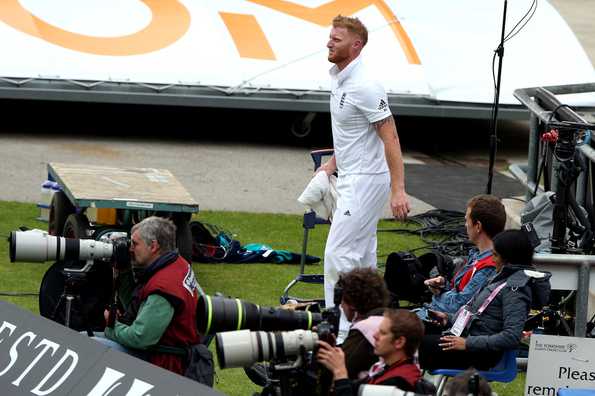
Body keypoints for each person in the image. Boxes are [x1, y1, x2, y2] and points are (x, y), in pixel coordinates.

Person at [319, 14, 410, 315]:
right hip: (351, 177)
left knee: (338, 253)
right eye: (330, 36)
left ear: (356, 46)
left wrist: (398, 191)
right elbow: (351, 134)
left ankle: (342, 328)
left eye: (337, 39)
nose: (329, 42)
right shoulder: (339, 78)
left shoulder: (366, 86)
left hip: (366, 180)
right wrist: (331, 164)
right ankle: (371, 324)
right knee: (362, 256)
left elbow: (391, 138)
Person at [418, 229, 551, 371]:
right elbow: (481, 317)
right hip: (468, 340)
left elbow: (512, 337)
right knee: (410, 328)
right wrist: (448, 318)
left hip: (479, 354)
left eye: (495, 255)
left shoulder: (516, 289)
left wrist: (467, 343)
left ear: (508, 258)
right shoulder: (503, 278)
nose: (492, 260)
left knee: (410, 345)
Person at [97, 216, 201, 375]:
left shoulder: (164, 288)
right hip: (162, 350)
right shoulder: (177, 263)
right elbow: (137, 303)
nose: (130, 249)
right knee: (82, 338)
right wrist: (124, 271)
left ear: (153, 246)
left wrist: (112, 328)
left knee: (89, 346)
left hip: (163, 363)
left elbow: (140, 338)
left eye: (135, 244)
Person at [413, 195, 506, 326]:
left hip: (444, 322)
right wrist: (443, 286)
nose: (465, 225)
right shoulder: (479, 256)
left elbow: (459, 305)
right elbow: (460, 292)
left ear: (478, 226)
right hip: (438, 314)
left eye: (467, 220)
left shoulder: (489, 266)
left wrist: (439, 295)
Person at [317, 309, 426, 395]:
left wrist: (340, 372)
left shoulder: (398, 383)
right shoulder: (389, 369)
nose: (375, 335)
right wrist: (333, 350)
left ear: (399, 342)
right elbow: (354, 389)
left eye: (382, 333)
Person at [336, 268, 390, 379]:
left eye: (342, 300)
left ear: (351, 304)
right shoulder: (389, 317)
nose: (341, 306)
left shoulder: (365, 328)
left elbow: (344, 366)